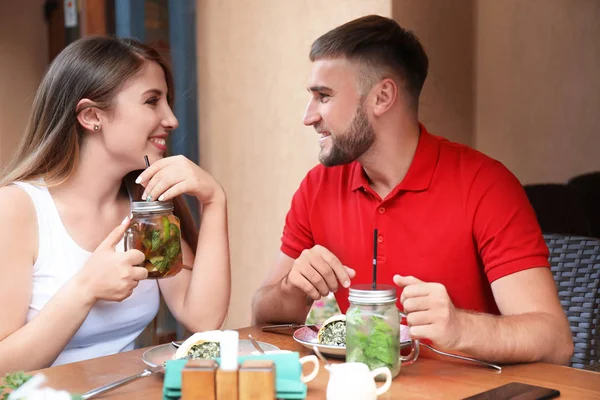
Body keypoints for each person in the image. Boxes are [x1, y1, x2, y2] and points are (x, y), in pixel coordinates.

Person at [252, 15, 573, 365]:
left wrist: (461, 327)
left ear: (382, 96)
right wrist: (292, 288)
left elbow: (555, 341)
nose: (308, 116)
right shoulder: (318, 186)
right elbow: (263, 316)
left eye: (324, 96)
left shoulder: (486, 185)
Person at [0, 37, 230, 374]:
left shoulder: (146, 206)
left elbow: (203, 317)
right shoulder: (16, 209)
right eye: (152, 101)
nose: (171, 119)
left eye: (166, 100)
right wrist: (85, 289)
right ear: (92, 115)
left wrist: (214, 202)